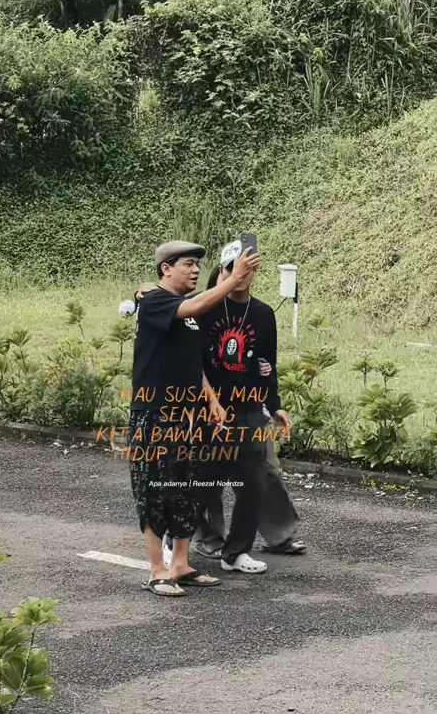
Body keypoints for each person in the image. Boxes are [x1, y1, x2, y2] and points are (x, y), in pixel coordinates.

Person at [128, 239, 260, 597]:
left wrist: (212, 400)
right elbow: (195, 305)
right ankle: (157, 571)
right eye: (187, 264)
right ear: (165, 269)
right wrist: (233, 280)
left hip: (188, 415)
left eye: (197, 265)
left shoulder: (186, 315)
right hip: (155, 414)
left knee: (186, 490)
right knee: (154, 490)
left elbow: (192, 363)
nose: (196, 270)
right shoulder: (156, 301)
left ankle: (181, 565)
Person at [192, 263, 306, 560]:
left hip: (250, 407)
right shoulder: (204, 308)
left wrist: (274, 405)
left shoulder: (263, 313)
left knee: (265, 472)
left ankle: (279, 535)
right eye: (229, 271)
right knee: (208, 476)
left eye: (244, 270)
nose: (238, 277)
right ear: (219, 274)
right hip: (207, 408)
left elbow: (268, 365)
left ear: (254, 273)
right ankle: (209, 537)